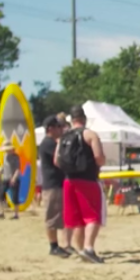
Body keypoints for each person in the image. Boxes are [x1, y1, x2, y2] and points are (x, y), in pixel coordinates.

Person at [55, 105, 107, 264]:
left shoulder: (63, 137)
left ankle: (80, 250)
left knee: (76, 219)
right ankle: (89, 248)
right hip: (88, 179)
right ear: (84, 119)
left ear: (72, 120)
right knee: (92, 216)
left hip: (69, 181)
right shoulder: (90, 135)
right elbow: (99, 158)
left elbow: (56, 161)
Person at [39, 116, 71, 258]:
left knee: (60, 216)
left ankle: (60, 245)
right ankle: (53, 246)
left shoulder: (51, 142)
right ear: (50, 128)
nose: (61, 129)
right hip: (52, 185)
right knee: (51, 216)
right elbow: (61, 158)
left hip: (57, 184)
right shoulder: (48, 143)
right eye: (58, 127)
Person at [0, 148, 21, 220]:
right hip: (5, 178)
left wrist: (14, 178)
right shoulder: (5, 155)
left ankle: (16, 214)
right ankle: (1, 212)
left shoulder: (16, 157)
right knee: (0, 195)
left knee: (15, 197)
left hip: (14, 179)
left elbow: (18, 169)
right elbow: (3, 166)